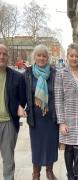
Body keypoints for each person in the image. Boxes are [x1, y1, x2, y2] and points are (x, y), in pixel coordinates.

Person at [24, 44, 59, 180]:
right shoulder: (28, 73)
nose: (41, 58)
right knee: (37, 146)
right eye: (39, 55)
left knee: (50, 145)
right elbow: (21, 93)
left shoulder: (55, 73)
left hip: (51, 118)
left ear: (48, 58)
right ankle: (36, 173)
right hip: (36, 119)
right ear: (34, 56)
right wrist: (21, 107)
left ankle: (49, 171)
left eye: (44, 56)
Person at [54, 43, 78, 180]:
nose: (74, 58)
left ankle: (77, 171)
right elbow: (58, 99)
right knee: (69, 147)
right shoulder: (61, 73)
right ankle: (71, 174)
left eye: (77, 56)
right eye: (71, 56)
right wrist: (61, 122)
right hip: (68, 116)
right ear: (67, 57)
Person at [0, 44, 26, 180]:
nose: (1, 56)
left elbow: (22, 99)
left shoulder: (17, 77)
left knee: (8, 159)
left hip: (8, 123)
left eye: (4, 54)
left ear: (8, 57)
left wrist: (20, 106)